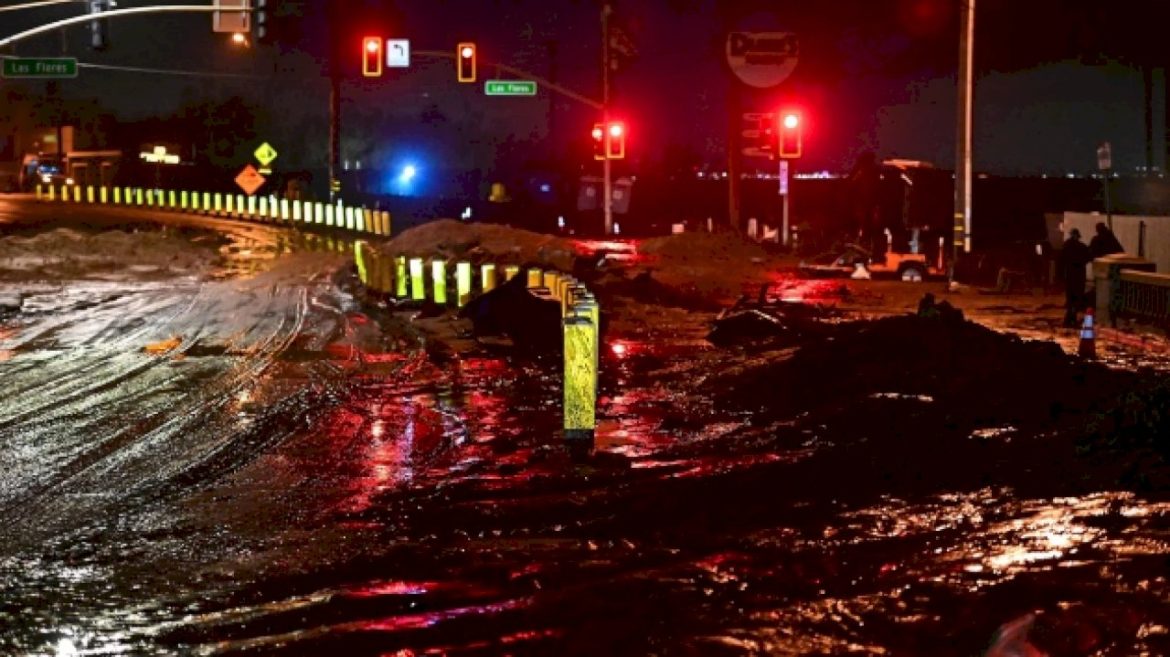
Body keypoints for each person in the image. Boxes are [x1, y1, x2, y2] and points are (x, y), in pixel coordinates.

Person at [1058, 228, 1092, 327]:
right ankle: (1071, 318)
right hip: (1079, 274)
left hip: (1070, 274)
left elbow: (1061, 260)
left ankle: (1069, 319)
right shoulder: (1082, 247)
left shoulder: (1066, 246)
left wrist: (1060, 275)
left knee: (1070, 297)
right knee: (1077, 297)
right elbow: (1088, 257)